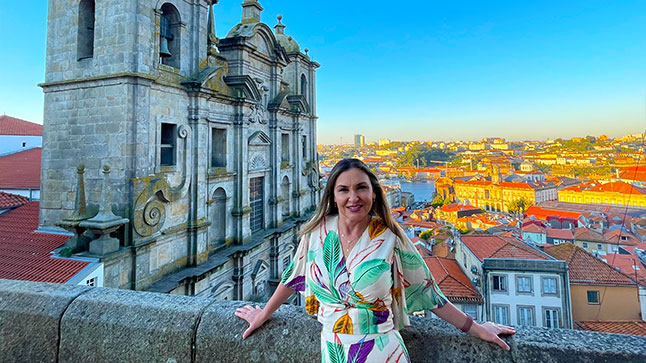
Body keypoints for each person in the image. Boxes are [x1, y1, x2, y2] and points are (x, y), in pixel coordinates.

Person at [235, 158, 515, 362]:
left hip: (382, 352)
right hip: (332, 350)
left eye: (361, 188)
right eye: (344, 189)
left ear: (373, 192)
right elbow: (294, 276)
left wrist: (477, 328)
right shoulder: (317, 232)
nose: (353, 197)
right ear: (333, 195)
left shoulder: (390, 236)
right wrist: (263, 314)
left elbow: (427, 292)